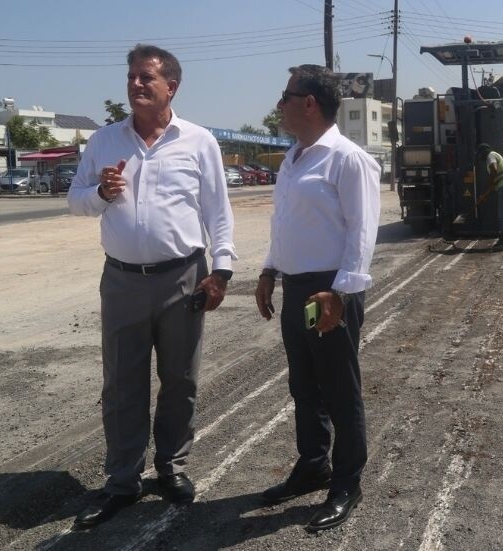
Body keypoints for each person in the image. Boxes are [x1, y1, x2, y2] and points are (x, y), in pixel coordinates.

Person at [67, 43, 237, 529]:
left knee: (180, 379)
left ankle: (171, 467)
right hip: (122, 280)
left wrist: (221, 271)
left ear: (171, 87)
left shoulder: (199, 141)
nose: (136, 85)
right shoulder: (104, 141)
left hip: (183, 277)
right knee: (122, 383)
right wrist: (101, 194)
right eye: (132, 77)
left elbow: (218, 213)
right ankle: (121, 481)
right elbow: (74, 201)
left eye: (147, 78)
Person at [254, 64, 380, 532]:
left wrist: (341, 292)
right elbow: (286, 224)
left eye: (285, 95)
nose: (279, 103)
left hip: (331, 289)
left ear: (309, 103)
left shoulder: (346, 158)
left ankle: (347, 481)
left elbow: (362, 231)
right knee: (304, 386)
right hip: (298, 285)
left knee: (340, 390)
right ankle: (313, 464)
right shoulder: (294, 158)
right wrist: (270, 268)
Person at [478, 143, 503, 251]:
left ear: (483, 152)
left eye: (480, 154)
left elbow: (494, 170)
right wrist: (485, 194)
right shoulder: (494, 156)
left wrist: (490, 184)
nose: (480, 157)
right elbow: (495, 181)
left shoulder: (491, 156)